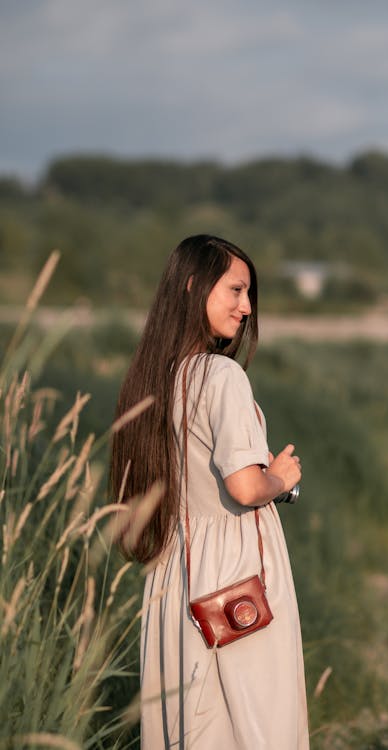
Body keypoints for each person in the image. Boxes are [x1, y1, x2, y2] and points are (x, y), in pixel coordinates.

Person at [110, 235, 309, 749]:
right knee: (257, 729)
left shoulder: (152, 379)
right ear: (195, 287)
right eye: (237, 290)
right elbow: (245, 486)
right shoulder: (221, 376)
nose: (247, 307)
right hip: (237, 585)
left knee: (194, 730)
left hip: (175, 575)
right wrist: (281, 480)